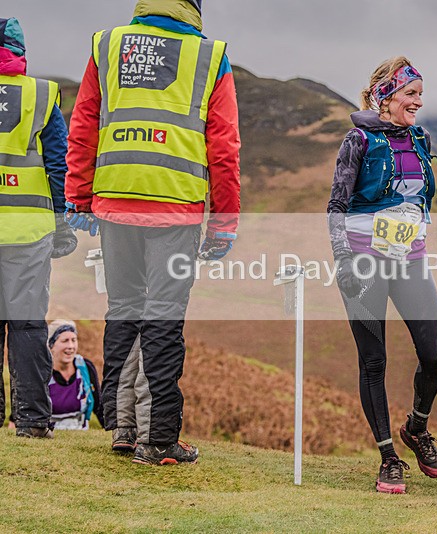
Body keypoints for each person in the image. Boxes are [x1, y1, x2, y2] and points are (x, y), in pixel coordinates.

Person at [65, 0, 241, 465]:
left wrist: (79, 197)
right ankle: (159, 437)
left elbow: (83, 125)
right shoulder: (209, 56)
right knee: (163, 316)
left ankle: (122, 428)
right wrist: (223, 223)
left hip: (115, 201)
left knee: (123, 309)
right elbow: (223, 147)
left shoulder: (107, 45)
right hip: (175, 209)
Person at [327, 57, 437, 494]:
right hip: (363, 263)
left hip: (410, 261)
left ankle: (416, 428)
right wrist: (343, 260)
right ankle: (387, 458)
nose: (419, 100)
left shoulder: (421, 138)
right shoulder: (357, 140)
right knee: (374, 361)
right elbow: (337, 206)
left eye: (420, 93)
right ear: (386, 96)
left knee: (434, 353)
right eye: (411, 93)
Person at [0, 17, 76, 438]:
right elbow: (56, 163)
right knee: (27, 325)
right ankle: (31, 422)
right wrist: (61, 221)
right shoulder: (41, 94)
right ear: (20, 53)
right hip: (29, 230)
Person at [47, 320, 105, 430]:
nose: (71, 346)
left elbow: (99, 406)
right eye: (65, 341)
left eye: (74, 340)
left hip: (81, 432)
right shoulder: (42, 372)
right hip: (49, 436)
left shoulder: (85, 368)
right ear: (51, 345)